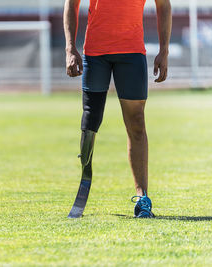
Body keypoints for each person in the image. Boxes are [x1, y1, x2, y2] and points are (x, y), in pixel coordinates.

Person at [64, 0, 172, 218]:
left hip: (132, 54)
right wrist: (70, 47)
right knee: (90, 122)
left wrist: (164, 50)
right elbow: (71, 3)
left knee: (137, 123)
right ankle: (84, 184)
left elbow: (164, 5)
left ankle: (143, 198)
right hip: (96, 54)